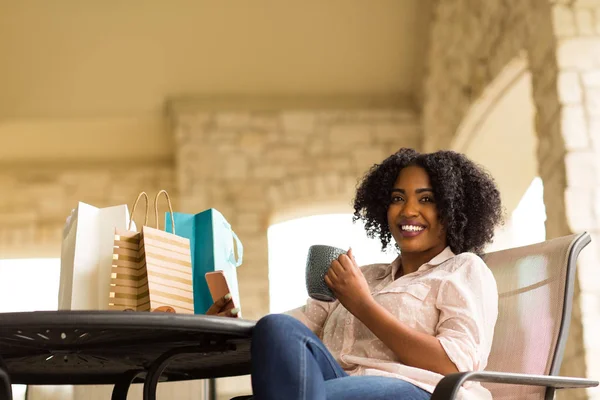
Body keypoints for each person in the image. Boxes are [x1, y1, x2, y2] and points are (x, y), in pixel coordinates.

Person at [210, 148, 504, 400]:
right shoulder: (364, 276)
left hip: (419, 390)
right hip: (335, 383)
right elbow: (287, 339)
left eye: (426, 199)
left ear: (453, 209)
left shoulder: (464, 269)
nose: (408, 210)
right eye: (397, 198)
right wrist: (229, 328)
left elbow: (455, 366)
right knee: (277, 327)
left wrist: (362, 304)